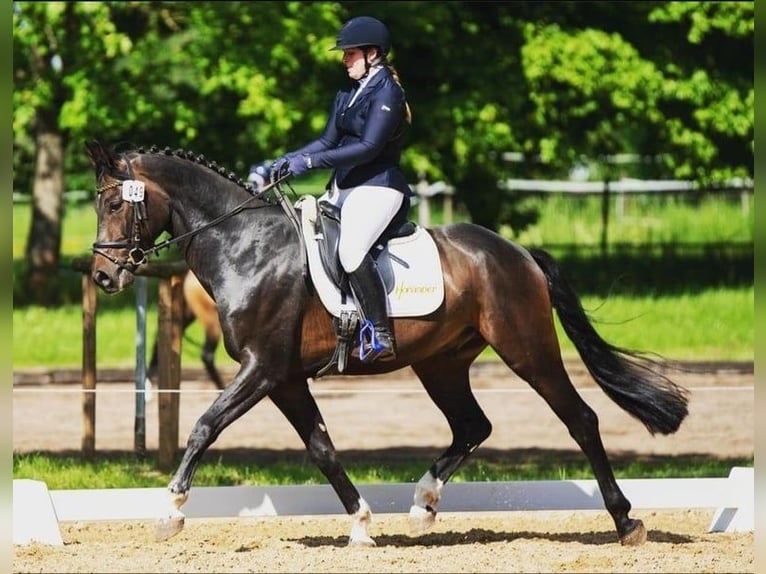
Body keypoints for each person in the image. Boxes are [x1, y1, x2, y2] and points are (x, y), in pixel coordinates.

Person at [272, 15, 413, 362]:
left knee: (351, 251)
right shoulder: (348, 92)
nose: (344, 60)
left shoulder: (389, 93)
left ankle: (380, 333)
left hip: (379, 187)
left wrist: (310, 164)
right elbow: (327, 140)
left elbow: (368, 147)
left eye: (350, 54)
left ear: (373, 54)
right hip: (344, 187)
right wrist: (288, 158)